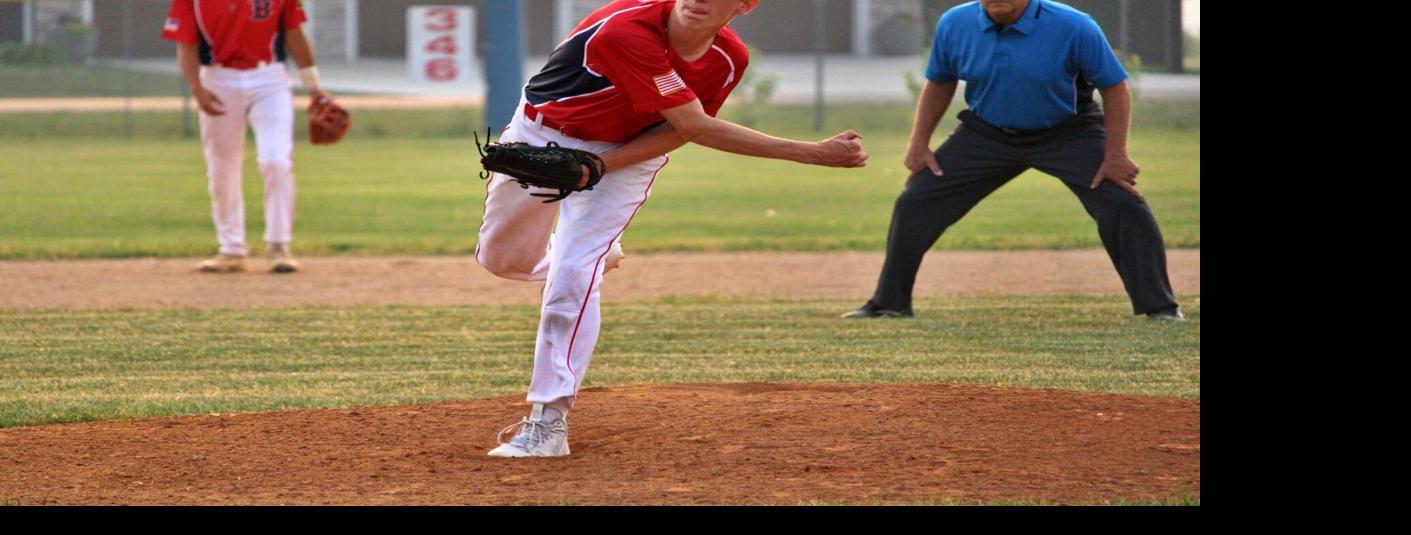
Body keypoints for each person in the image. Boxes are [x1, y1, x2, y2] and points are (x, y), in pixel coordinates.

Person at [476, 0, 868, 458]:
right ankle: (598, 258)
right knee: (502, 260)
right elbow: (697, 124)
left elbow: (684, 128)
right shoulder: (625, 33)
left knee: (572, 276)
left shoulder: (729, 58)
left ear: (744, 5)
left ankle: (548, 421)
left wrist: (599, 166)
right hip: (543, 133)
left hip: (627, 153)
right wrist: (813, 152)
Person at [846, 0, 1183, 322]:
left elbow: (1115, 87)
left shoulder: (1074, 25)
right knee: (916, 200)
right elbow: (940, 81)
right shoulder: (955, 23)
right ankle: (889, 303)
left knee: (1123, 202)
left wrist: (1115, 154)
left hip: (1068, 132)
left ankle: (1160, 307)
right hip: (987, 134)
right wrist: (918, 144)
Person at [162, 0, 328, 273]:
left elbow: (295, 35)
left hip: (269, 78)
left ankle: (278, 246)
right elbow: (186, 44)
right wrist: (196, 88)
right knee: (222, 166)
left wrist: (314, 89)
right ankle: (231, 250)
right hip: (217, 78)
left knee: (276, 160)